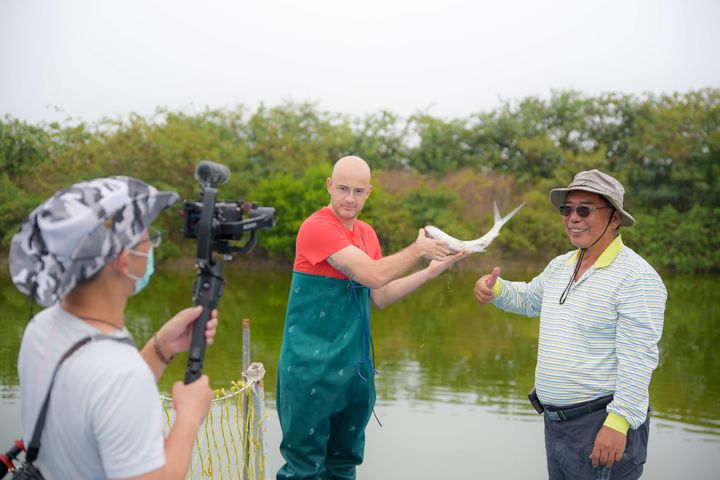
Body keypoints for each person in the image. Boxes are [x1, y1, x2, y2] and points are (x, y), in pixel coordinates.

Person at [9, 176, 217, 479]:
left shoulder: (41, 327)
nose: (152, 246)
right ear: (123, 260)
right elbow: (116, 388)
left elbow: (101, 401)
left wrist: (162, 346)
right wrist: (188, 416)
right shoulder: (121, 374)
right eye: (149, 239)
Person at [276, 156, 468, 480]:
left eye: (358, 191)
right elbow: (375, 274)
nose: (350, 198)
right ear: (329, 186)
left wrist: (431, 271)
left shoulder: (366, 233)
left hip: (354, 373)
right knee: (303, 470)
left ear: (369, 193)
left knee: (343, 465)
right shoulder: (317, 227)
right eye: (343, 189)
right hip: (310, 371)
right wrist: (417, 250)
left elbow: (381, 294)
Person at [474, 169, 666, 479]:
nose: (573, 218)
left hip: (601, 427)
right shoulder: (561, 265)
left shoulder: (637, 278)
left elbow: (639, 361)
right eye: (567, 209)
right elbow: (527, 299)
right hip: (557, 427)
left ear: (615, 218)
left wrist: (618, 423)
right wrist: (493, 289)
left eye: (584, 209)